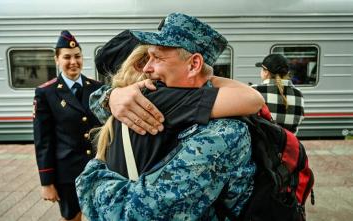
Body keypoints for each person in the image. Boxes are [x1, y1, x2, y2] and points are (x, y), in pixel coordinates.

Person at [76, 13, 264, 220]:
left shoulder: (222, 133)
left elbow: (136, 215)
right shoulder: (162, 100)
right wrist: (111, 96)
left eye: (157, 58)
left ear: (194, 65)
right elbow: (100, 105)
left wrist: (92, 177)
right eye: (147, 57)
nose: (147, 68)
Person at [33, 30, 102, 221]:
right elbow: (43, 141)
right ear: (57, 60)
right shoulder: (46, 93)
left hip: (99, 168)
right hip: (67, 174)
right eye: (67, 57)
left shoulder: (97, 88)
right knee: (73, 217)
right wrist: (47, 182)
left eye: (77, 56)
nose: (73, 61)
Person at [254, 54, 305, 133]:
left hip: (261, 144)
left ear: (266, 72)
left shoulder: (254, 90)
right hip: (288, 144)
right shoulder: (298, 94)